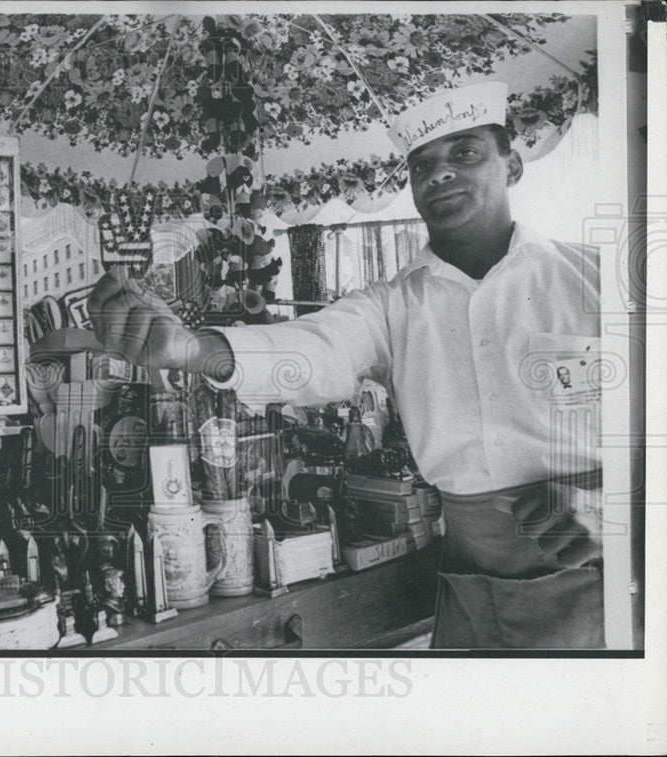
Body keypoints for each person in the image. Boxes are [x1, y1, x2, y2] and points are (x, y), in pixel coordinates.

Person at [88, 82, 604, 648]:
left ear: (512, 164)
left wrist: (620, 504)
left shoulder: (596, 281)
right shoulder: (393, 305)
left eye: (465, 152)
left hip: (604, 578)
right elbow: (312, 348)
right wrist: (189, 349)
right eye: (423, 164)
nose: (440, 174)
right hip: (473, 588)